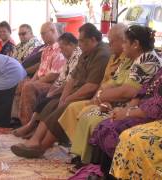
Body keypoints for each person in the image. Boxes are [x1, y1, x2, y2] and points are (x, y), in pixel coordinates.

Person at [11, 23, 110, 158]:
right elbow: (72, 78)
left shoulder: (102, 54)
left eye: (81, 40)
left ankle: (41, 147)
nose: (79, 43)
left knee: (64, 107)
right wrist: (64, 97)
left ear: (93, 40)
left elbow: (91, 87)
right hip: (77, 93)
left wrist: (68, 99)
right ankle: (35, 139)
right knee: (54, 103)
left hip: (89, 95)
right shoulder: (86, 52)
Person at [69, 25, 162, 166]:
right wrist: (110, 103)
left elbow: (132, 92)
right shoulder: (133, 59)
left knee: (105, 124)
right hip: (131, 105)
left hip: (144, 111)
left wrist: (125, 111)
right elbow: (134, 90)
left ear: (136, 44)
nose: (123, 45)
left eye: (125, 42)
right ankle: (88, 162)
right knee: (94, 117)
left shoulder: (149, 61)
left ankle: (98, 167)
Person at [12, 32, 81, 137]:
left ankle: (30, 127)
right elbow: (60, 78)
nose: (61, 51)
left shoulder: (77, 54)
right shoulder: (61, 54)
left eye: (62, 48)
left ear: (70, 45)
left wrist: (53, 91)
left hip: (69, 88)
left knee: (40, 94)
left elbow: (66, 80)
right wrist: (52, 90)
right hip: (56, 85)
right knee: (39, 93)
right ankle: (27, 125)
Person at [11, 22, 66, 125]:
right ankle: (15, 119)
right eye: (41, 34)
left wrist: (35, 82)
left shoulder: (60, 48)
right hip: (42, 80)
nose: (42, 36)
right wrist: (33, 80)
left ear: (53, 31)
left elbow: (54, 75)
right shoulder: (46, 49)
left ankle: (27, 124)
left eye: (44, 33)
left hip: (53, 83)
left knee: (29, 86)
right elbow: (40, 69)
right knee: (18, 83)